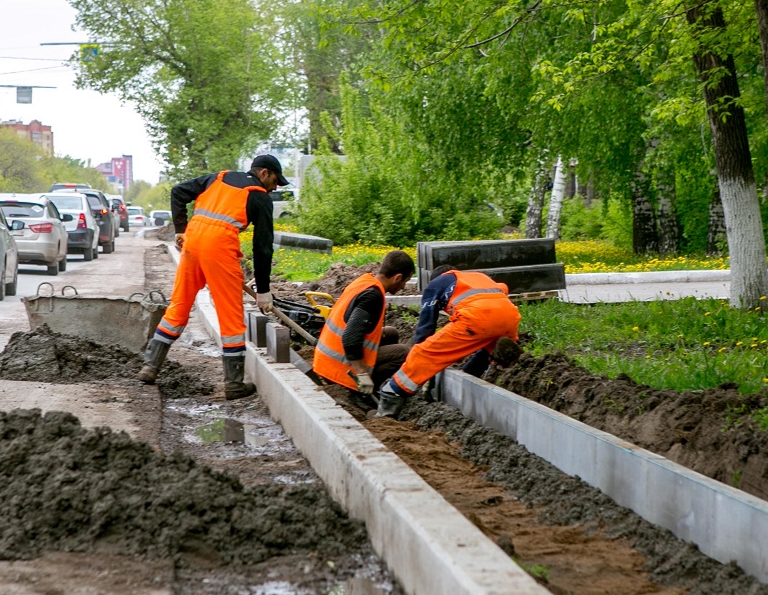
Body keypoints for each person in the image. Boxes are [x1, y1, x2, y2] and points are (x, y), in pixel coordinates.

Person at [138, 154, 288, 399]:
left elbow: (178, 192)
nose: (275, 187)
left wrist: (181, 230)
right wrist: (263, 290)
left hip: (193, 241)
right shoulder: (259, 196)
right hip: (220, 247)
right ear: (263, 174)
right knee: (231, 316)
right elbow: (263, 248)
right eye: (275, 181)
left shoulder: (218, 177)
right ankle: (234, 384)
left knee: (178, 305)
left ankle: (150, 367)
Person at [374, 265, 523, 418]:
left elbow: (425, 331)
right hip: (510, 318)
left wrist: (426, 372)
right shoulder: (477, 277)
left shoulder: (436, 283)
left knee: (422, 353)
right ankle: (472, 373)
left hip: (477, 318)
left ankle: (389, 399)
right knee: (487, 347)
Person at [311, 250, 416, 397]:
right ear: (397, 278)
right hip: (338, 368)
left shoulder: (365, 281)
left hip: (326, 358)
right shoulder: (373, 297)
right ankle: (361, 391)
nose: (404, 287)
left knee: (391, 333)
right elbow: (350, 338)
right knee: (403, 353)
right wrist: (361, 373)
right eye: (405, 281)